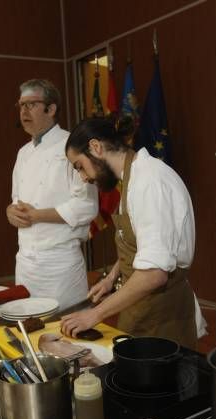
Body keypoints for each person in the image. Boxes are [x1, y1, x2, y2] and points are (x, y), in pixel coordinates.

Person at [60, 118, 198, 348]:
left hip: (160, 317)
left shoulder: (149, 181)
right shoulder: (133, 178)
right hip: (141, 307)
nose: (83, 178)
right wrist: (112, 278)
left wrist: (94, 315)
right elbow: (142, 246)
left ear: (96, 147)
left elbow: (154, 273)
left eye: (80, 166)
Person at [7, 79, 98, 310]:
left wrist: (37, 215)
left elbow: (86, 206)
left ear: (52, 108)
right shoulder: (23, 152)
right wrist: (10, 211)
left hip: (60, 266)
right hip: (26, 265)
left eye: (31, 104)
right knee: (29, 331)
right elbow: (16, 200)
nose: (23, 111)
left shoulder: (73, 145)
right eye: (21, 105)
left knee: (66, 334)